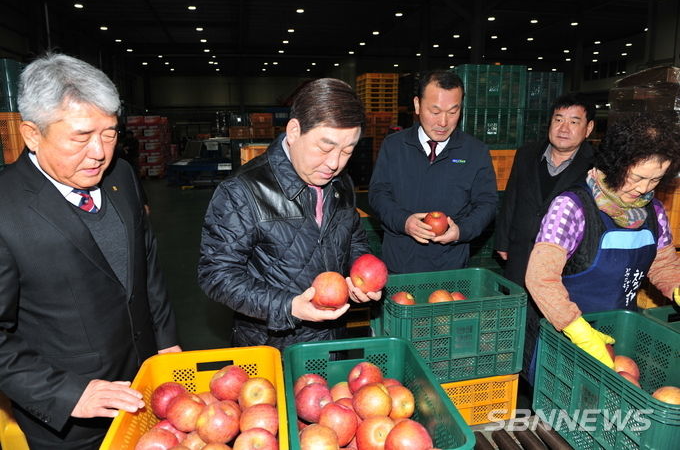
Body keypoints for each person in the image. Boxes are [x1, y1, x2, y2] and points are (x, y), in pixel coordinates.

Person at [0, 53, 180, 449]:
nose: (99, 152)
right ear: (32, 134)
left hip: (147, 390)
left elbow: (146, 264)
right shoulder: (5, 209)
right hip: (73, 422)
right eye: (81, 137)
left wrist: (165, 341)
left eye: (110, 134)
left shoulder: (122, 177)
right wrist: (66, 393)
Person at [197, 78, 381, 350]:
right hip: (272, 346)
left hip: (333, 340)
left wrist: (356, 276)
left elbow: (354, 238)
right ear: (294, 131)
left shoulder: (341, 183)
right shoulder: (242, 191)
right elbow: (217, 274)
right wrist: (288, 306)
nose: (334, 163)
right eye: (325, 147)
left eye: (347, 151)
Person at [525, 113, 680, 381]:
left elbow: (663, 264)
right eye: (637, 177)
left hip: (621, 334)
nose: (644, 188)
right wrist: (578, 330)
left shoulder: (654, 212)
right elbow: (540, 277)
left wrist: (676, 287)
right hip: (569, 335)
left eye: (655, 180)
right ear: (617, 164)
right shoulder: (571, 207)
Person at [494, 93, 596, 377]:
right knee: (515, 323)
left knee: (550, 327)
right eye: (558, 119)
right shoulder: (527, 153)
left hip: (562, 265)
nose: (564, 128)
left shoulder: (595, 165)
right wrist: (503, 240)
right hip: (520, 253)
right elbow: (512, 197)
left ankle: (542, 381)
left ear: (588, 128)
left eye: (574, 121)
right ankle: (515, 380)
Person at [368, 69, 497, 274]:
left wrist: (461, 231)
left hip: (450, 268)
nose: (443, 122)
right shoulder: (394, 146)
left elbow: (487, 203)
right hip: (399, 265)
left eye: (453, 112)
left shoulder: (475, 152)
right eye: (435, 112)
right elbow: (378, 194)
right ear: (417, 105)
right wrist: (404, 221)